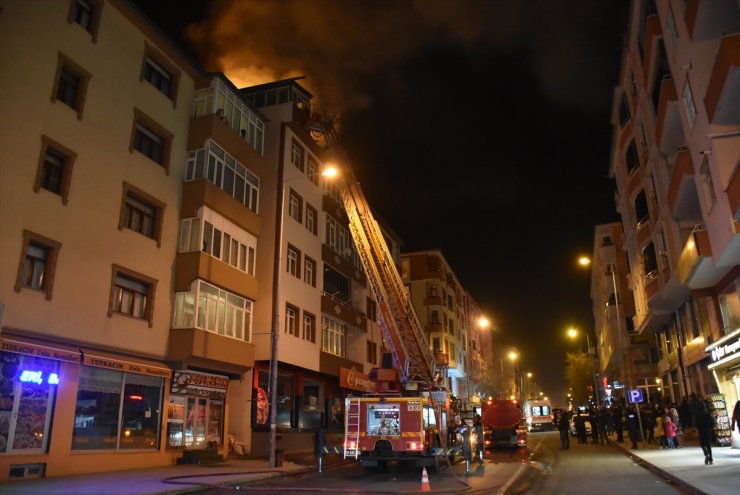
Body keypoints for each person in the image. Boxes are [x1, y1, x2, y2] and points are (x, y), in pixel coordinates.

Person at [694, 400, 714, 465]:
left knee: (702, 443)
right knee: (708, 444)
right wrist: (710, 427)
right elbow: (712, 421)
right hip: (707, 430)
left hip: (701, 431)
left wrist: (699, 428)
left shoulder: (697, 414)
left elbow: (696, 424)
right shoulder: (707, 413)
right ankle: (711, 459)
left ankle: (706, 453)